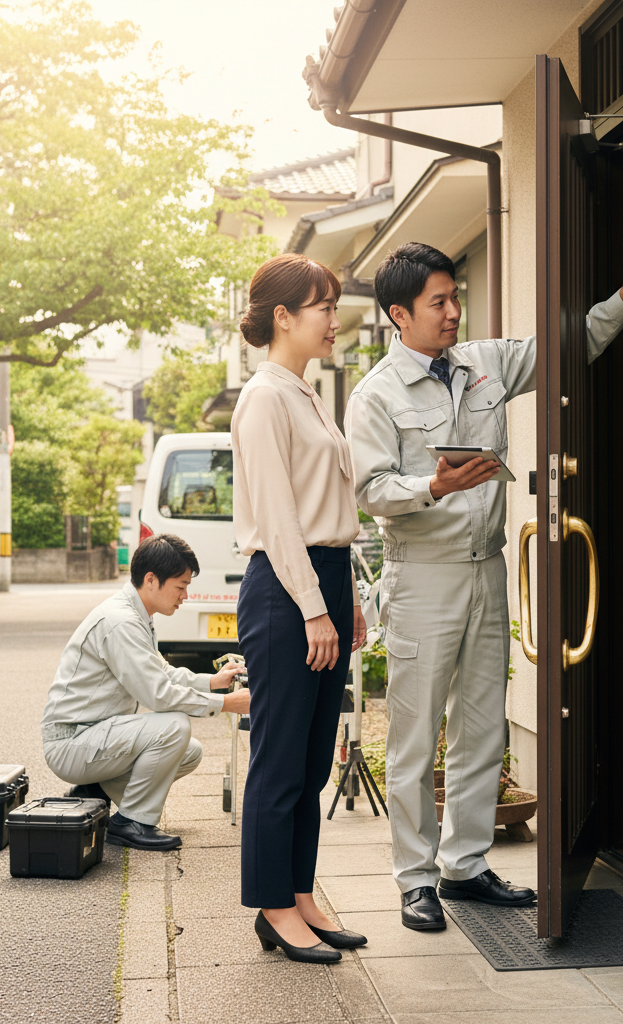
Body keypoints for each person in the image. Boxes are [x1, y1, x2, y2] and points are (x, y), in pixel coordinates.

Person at [345, 238, 623, 931]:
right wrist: (430, 484)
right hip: (421, 578)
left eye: (456, 297)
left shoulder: (484, 363)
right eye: (439, 302)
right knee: (414, 737)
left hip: (486, 570)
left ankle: (464, 866)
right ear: (400, 314)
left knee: (480, 727)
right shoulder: (375, 395)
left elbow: (571, 342)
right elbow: (370, 490)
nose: (454, 312)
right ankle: (416, 880)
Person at [232, 253, 369, 964]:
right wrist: (316, 609)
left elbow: (333, 512)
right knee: (280, 761)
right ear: (283, 316)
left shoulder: (308, 393)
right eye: (321, 306)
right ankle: (273, 907)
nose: (332, 319)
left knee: (315, 759)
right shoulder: (264, 398)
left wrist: (347, 601)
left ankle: (303, 895)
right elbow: (281, 521)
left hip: (323, 580)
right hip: (286, 590)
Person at [42, 534, 250, 852]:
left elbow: (161, 672)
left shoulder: (137, 614)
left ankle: (95, 787)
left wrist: (212, 682)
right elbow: (159, 695)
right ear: (151, 580)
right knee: (174, 726)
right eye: (180, 586)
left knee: (188, 751)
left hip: (94, 735)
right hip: (72, 742)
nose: (185, 596)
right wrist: (226, 704)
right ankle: (131, 822)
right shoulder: (121, 622)